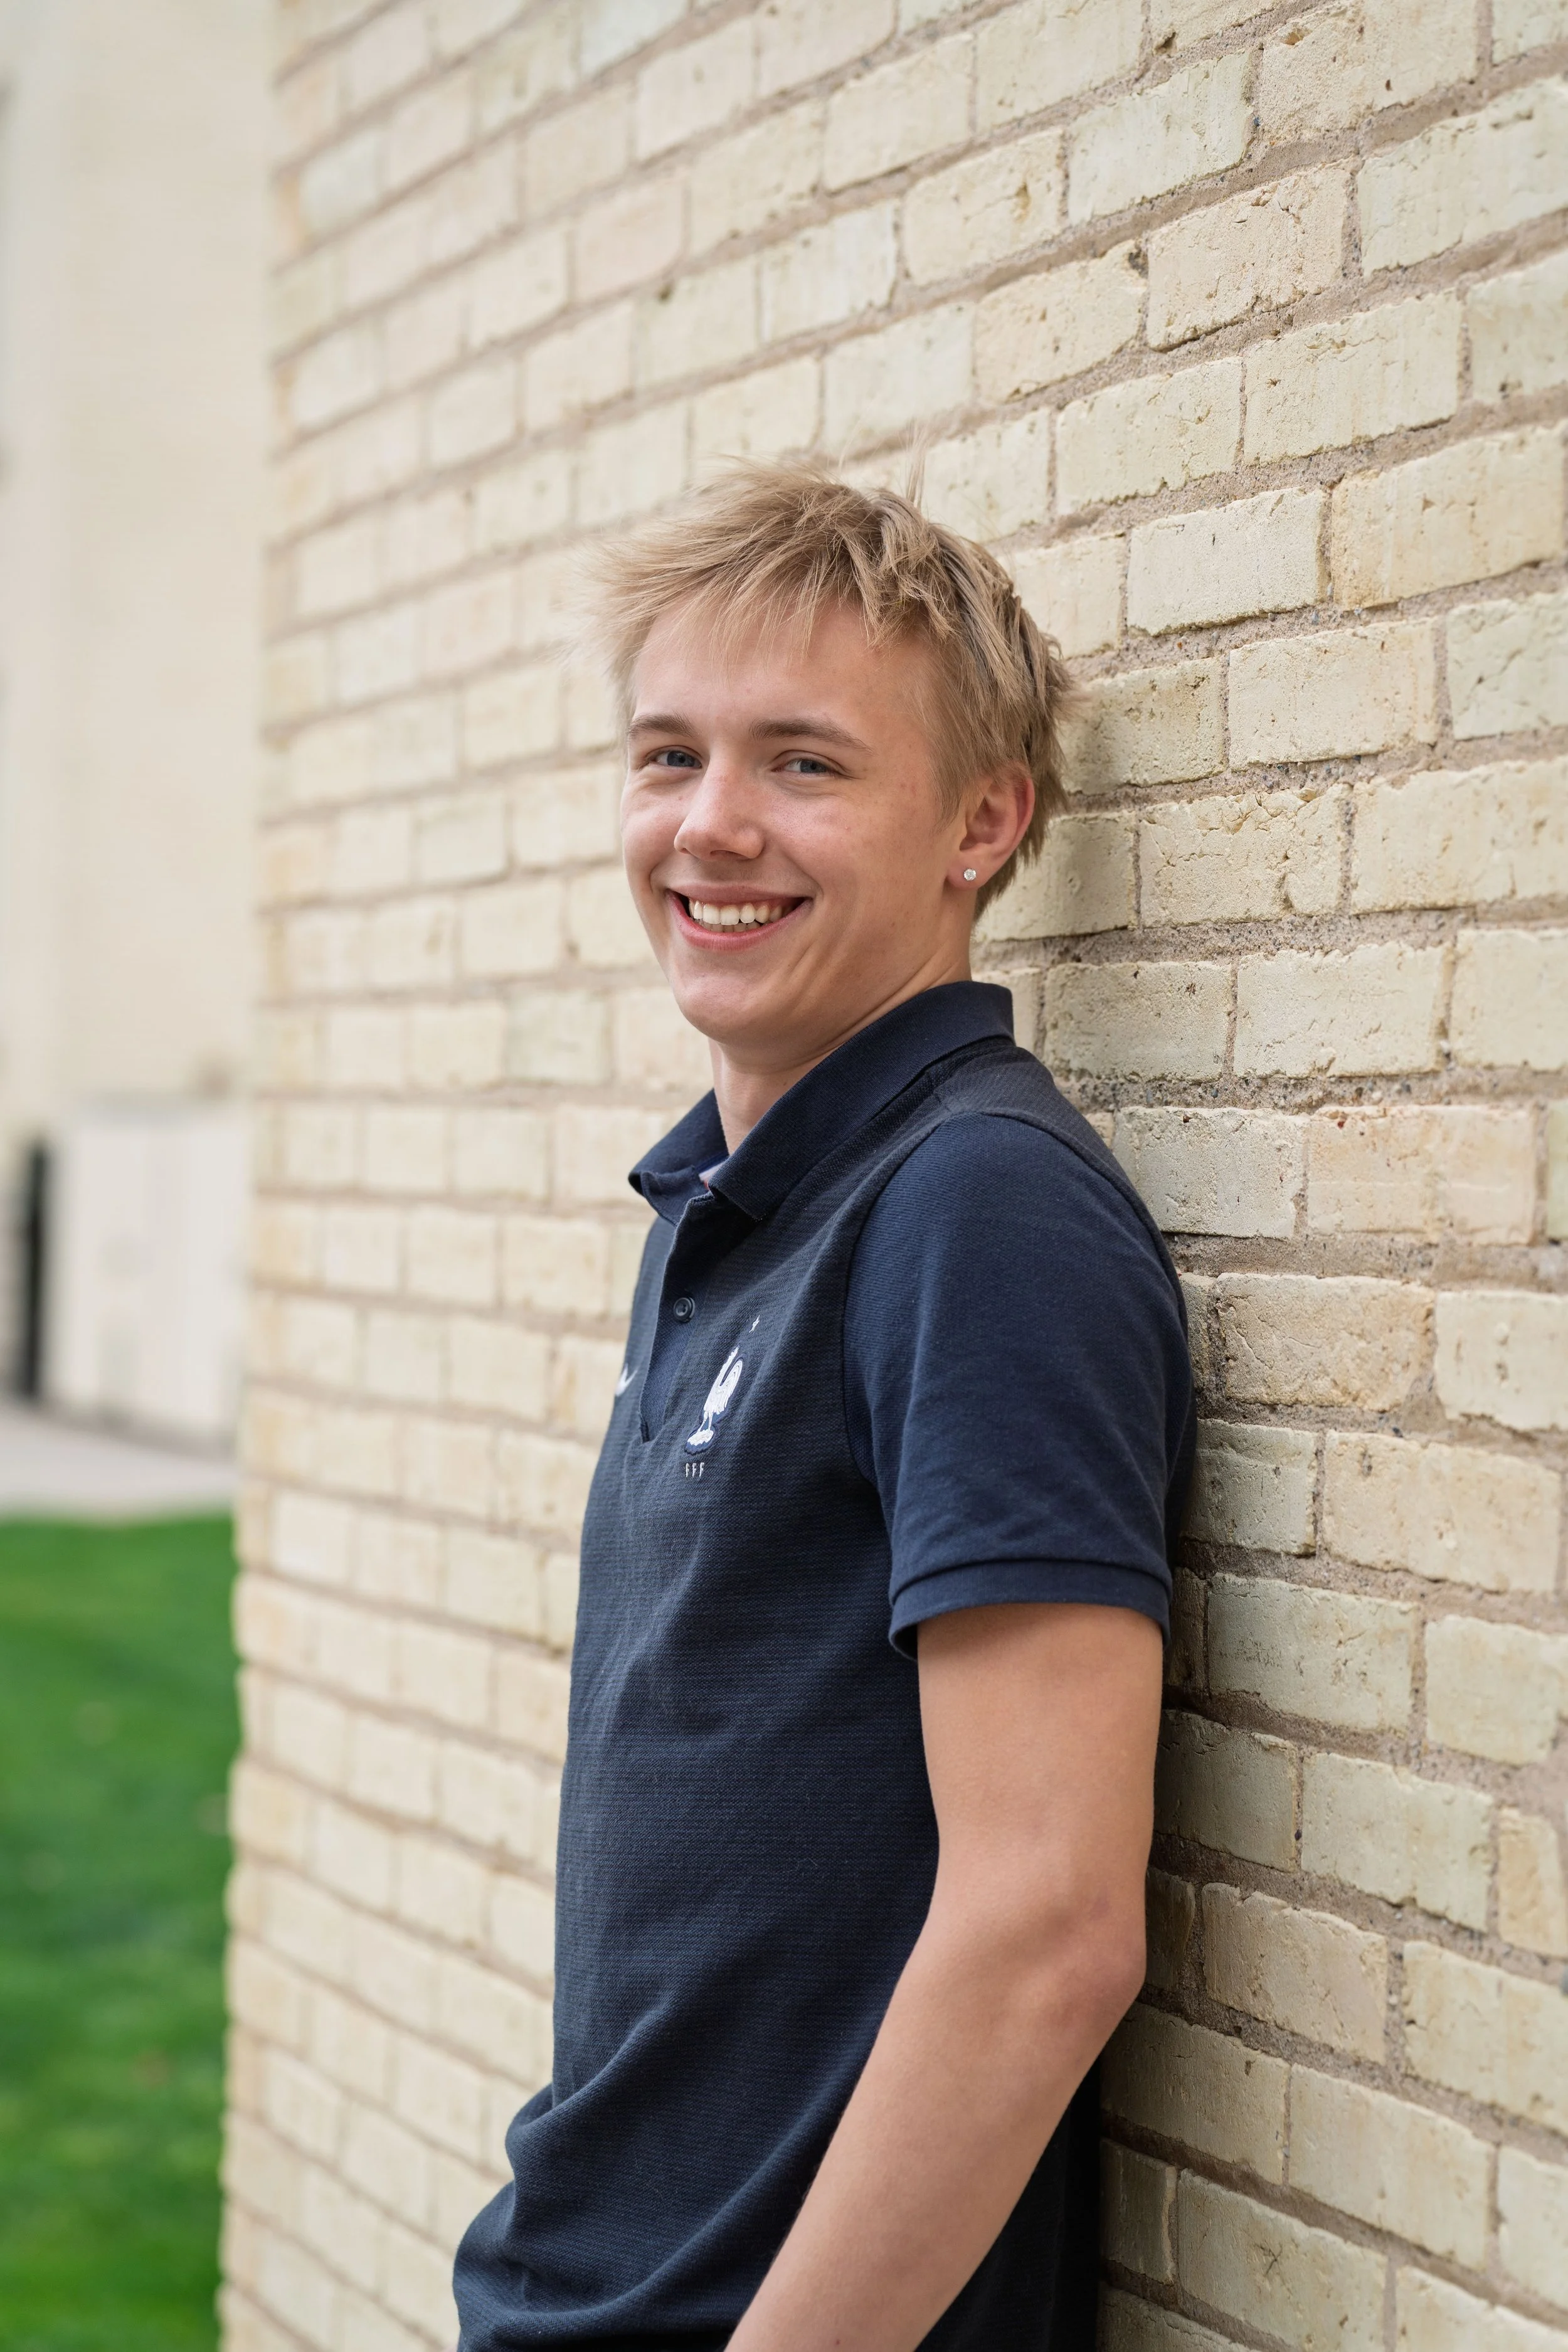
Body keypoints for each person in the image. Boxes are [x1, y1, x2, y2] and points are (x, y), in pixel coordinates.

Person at [453, 464, 1194, 2352]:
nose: (709, 827)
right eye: (666, 754)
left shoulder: (974, 1207)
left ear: (981, 820)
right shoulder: (738, 1199)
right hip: (592, 2276)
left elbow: (1047, 1926)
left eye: (802, 764)